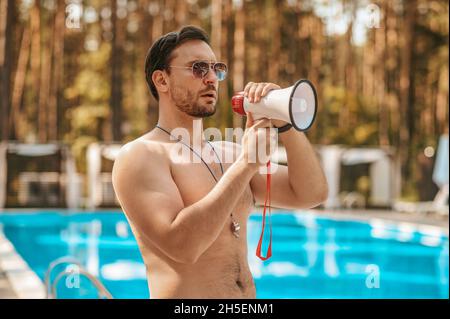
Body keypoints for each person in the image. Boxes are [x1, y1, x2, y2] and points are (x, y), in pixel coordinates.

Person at [112, 25, 328, 299]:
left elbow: (311, 194)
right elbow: (183, 246)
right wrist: (247, 164)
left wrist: (285, 122)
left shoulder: (230, 152)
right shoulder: (141, 156)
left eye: (217, 69)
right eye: (198, 68)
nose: (212, 78)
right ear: (162, 80)